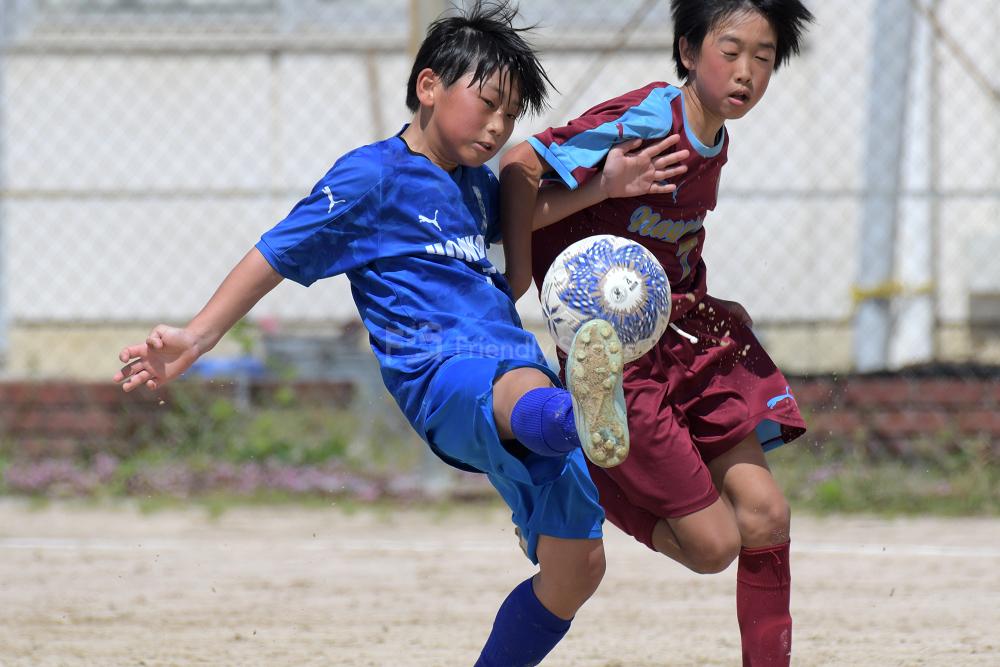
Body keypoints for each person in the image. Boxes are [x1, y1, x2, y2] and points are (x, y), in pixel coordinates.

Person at [113, 3, 687, 665]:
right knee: (524, 386)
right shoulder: (372, 177)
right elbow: (277, 251)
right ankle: (576, 414)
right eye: (488, 104)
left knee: (577, 568)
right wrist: (198, 336)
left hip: (510, 355)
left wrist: (604, 187)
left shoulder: (473, 186)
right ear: (429, 86)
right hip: (440, 369)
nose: (498, 126)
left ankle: (573, 416)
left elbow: (520, 218)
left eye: (510, 116)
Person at [499, 1, 814, 664]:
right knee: (714, 546)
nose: (746, 71)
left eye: (763, 58)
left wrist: (701, 290)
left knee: (767, 515)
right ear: (688, 51)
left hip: (690, 337)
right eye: (731, 51)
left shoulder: (715, 139)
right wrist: (525, 273)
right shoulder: (647, 118)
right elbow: (521, 167)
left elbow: (665, 239)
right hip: (619, 359)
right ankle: (586, 458)